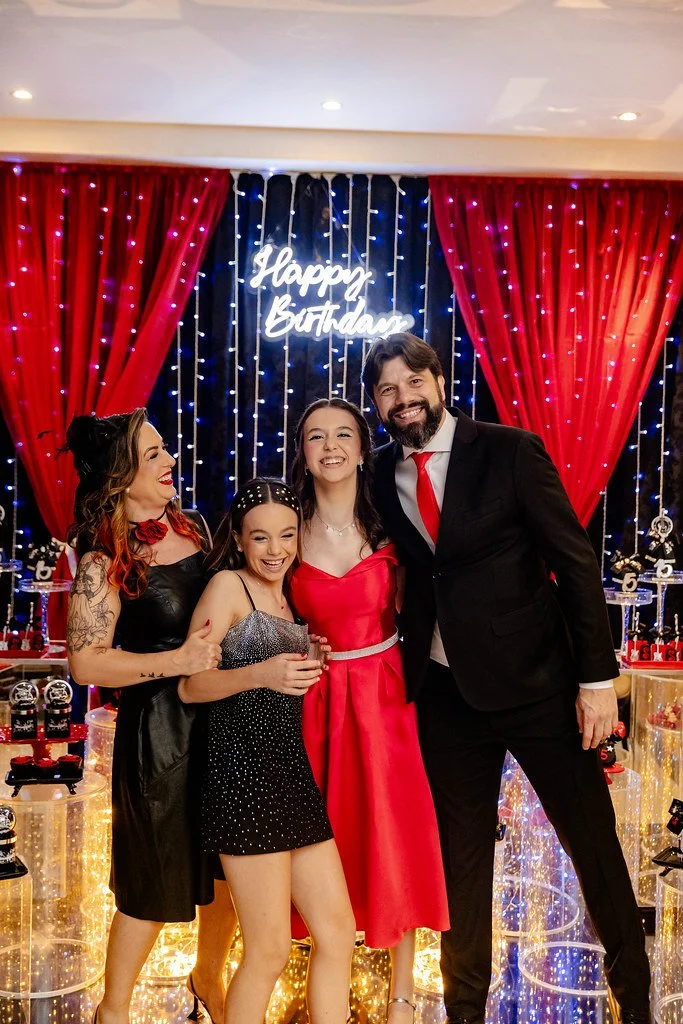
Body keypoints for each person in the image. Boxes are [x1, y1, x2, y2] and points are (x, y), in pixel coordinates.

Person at [362, 333, 651, 1024]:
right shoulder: (378, 474)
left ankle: (635, 1003)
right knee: (458, 867)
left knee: (592, 844)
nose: (402, 401)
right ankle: (464, 1011)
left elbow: (574, 563)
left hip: (539, 685)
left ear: (437, 380)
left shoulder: (508, 449)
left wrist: (594, 681)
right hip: (441, 695)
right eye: (386, 392)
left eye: (411, 384)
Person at [64, 409, 236, 1024]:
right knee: (153, 883)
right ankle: (112, 1011)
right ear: (121, 474)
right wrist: (178, 662)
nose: (170, 462)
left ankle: (208, 981)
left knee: (227, 872)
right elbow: (85, 665)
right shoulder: (102, 556)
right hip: (160, 736)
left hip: (221, 720)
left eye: (166, 450)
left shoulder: (189, 527)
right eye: (154, 454)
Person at [289, 398, 449, 1022]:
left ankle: (402, 996)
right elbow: (255, 609)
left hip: (384, 698)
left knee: (392, 835)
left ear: (362, 447)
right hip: (314, 700)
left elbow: (431, 596)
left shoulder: (394, 523)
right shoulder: (283, 526)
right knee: (322, 836)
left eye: (343, 435)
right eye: (315, 437)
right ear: (302, 452)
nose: (330, 446)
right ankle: (322, 984)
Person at [178, 478, 356, 1024]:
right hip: (242, 783)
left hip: (291, 779)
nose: (276, 550)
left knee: (339, 932)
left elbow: (283, 678)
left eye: (286, 536)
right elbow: (189, 685)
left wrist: (310, 657)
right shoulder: (229, 587)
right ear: (239, 539)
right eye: (261, 538)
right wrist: (263, 671)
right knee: (270, 950)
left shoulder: (289, 594)